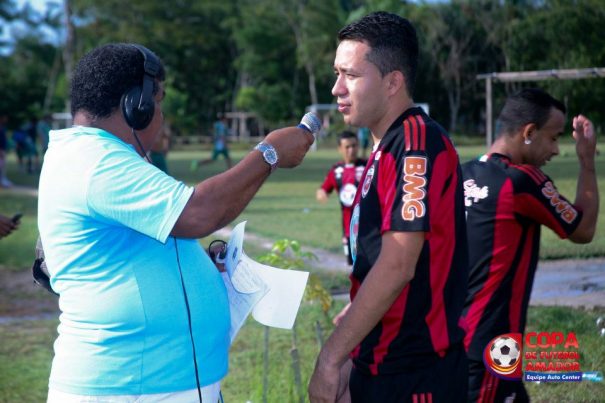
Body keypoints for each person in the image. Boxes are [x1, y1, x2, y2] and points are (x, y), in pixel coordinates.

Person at [37, 43, 314, 402]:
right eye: (159, 100)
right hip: (130, 387)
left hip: (157, 382)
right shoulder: (96, 160)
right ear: (136, 106)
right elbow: (199, 212)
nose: (161, 114)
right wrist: (269, 153)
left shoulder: (95, 156)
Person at [308, 12, 469, 403]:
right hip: (381, 364)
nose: (336, 88)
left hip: (416, 374)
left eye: (351, 75)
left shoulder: (415, 142)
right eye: (336, 73)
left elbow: (398, 264)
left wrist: (331, 357)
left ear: (393, 81)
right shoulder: (384, 147)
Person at [462, 88, 598, 403]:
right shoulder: (521, 181)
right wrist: (587, 161)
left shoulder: (460, 174)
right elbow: (584, 229)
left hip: (450, 338)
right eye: (553, 138)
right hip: (492, 346)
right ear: (529, 133)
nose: (555, 149)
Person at [316, 130, 366, 265]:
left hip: (371, 227)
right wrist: (321, 194)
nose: (351, 150)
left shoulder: (368, 166)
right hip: (349, 229)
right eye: (347, 147)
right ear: (340, 149)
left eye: (354, 146)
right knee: (353, 266)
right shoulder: (336, 171)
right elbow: (324, 188)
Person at [0, 115, 12, 187]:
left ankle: (3, 179)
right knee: (2, 165)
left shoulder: (2, 128)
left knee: (3, 165)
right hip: (1, 149)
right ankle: (2, 180)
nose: (6, 120)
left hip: (3, 149)